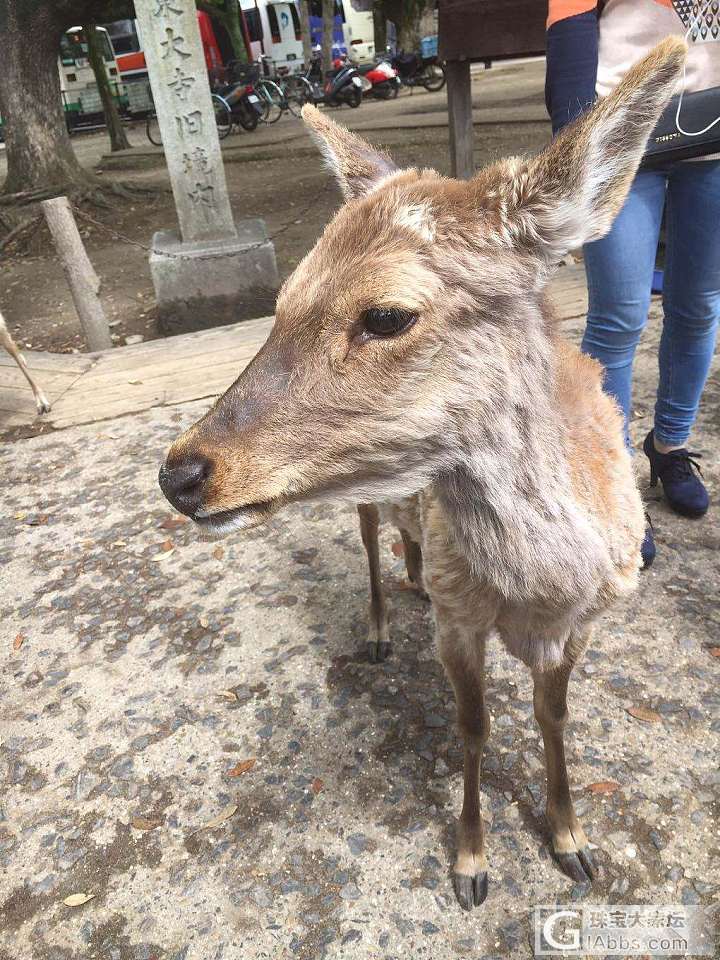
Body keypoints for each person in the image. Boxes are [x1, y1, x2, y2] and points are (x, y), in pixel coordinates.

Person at [545, 0, 720, 567]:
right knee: (620, 316)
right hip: (621, 137)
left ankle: (669, 445)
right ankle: (614, 477)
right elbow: (569, 31)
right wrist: (577, 143)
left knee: (699, 306)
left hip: (716, 128)